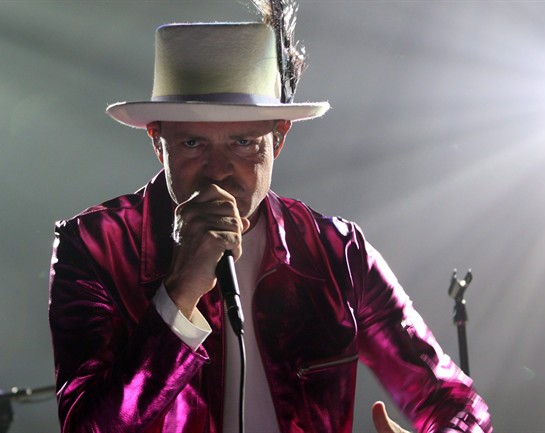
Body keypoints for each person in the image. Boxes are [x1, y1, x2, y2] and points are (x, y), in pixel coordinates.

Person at [48, 22, 493, 433]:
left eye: (243, 142)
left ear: (278, 138)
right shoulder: (93, 247)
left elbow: (456, 403)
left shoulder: (338, 253)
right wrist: (178, 294)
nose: (218, 170)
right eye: (192, 143)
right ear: (158, 143)